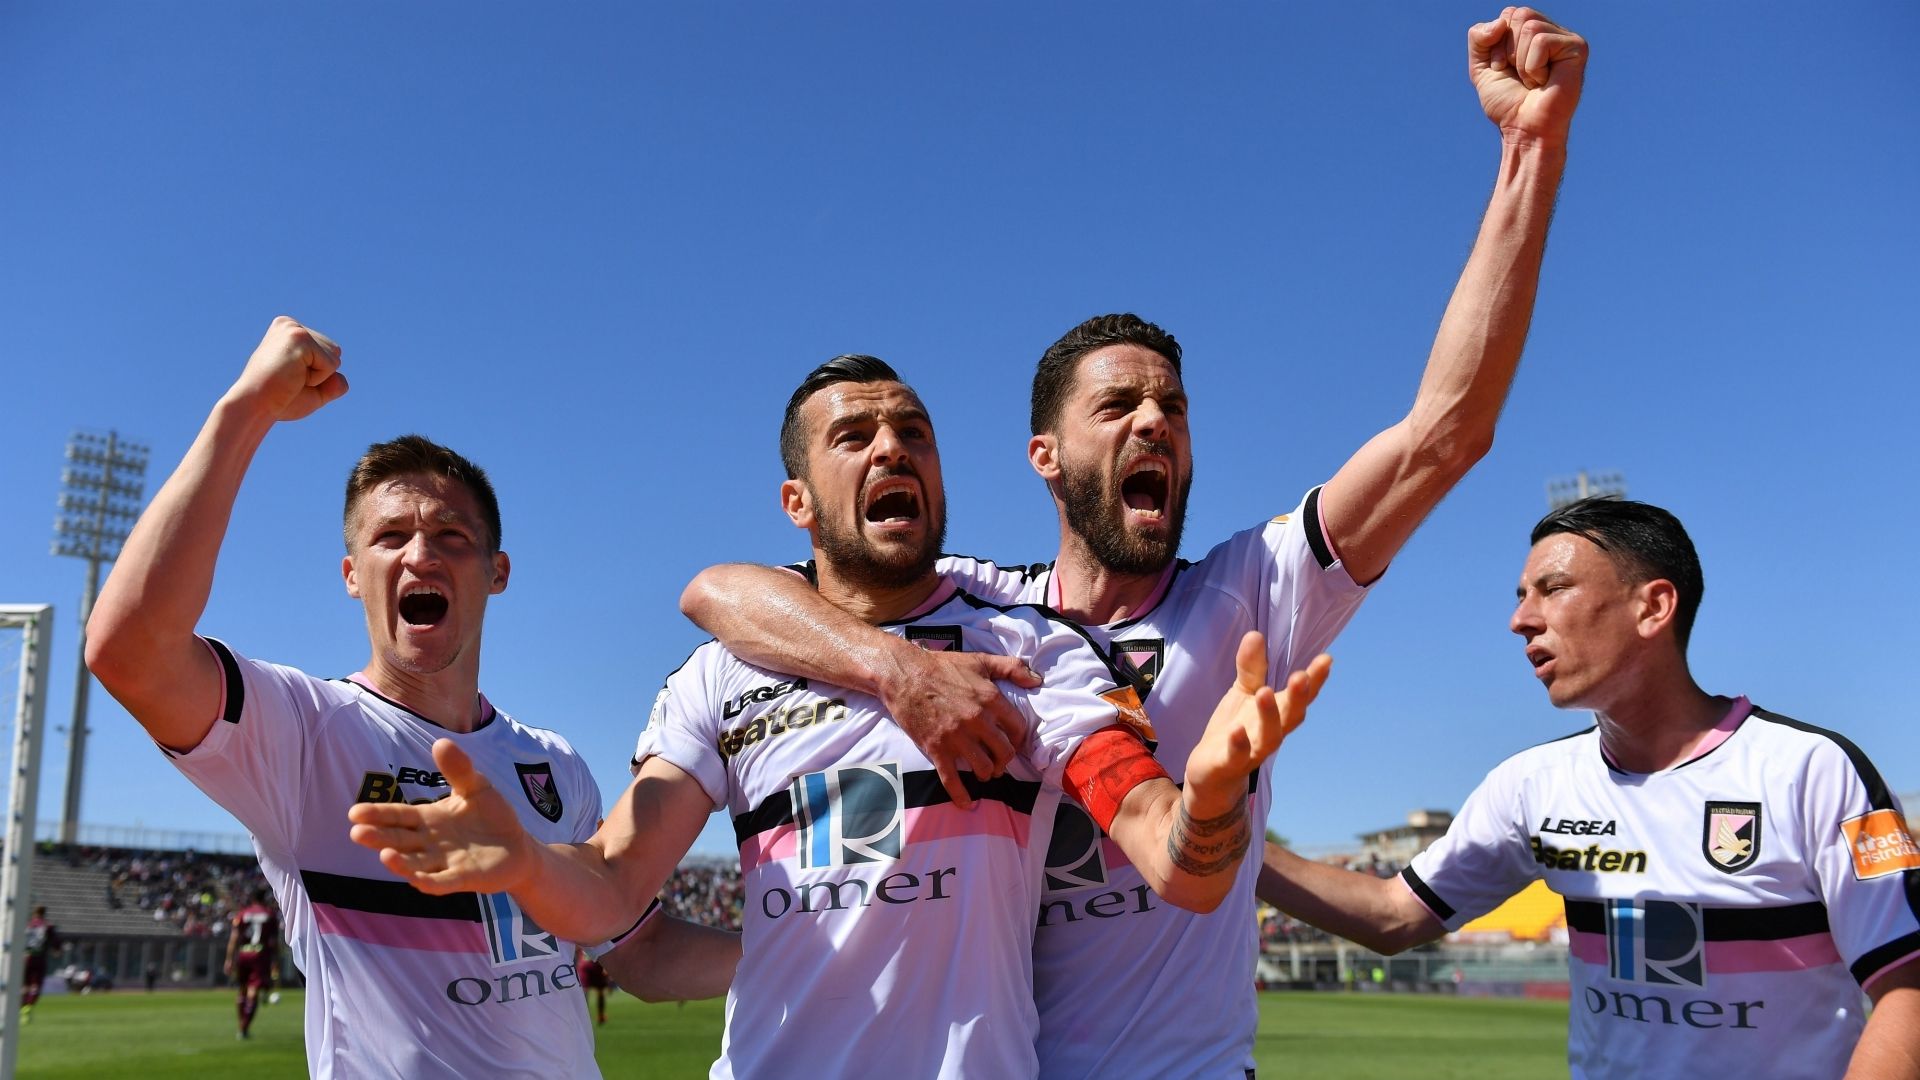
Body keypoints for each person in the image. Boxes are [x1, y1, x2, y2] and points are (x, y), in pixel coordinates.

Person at [677, 9, 1587, 1075]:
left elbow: (1445, 433)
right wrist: (895, 668)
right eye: (1118, 409)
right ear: (1044, 457)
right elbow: (720, 593)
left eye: (1174, 407)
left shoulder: (1254, 594)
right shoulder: (983, 609)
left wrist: (1532, 145)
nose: (1155, 421)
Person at [348, 355, 1330, 1079]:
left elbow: (1172, 859)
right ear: (797, 502)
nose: (892, 446)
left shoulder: (1033, 651)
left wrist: (1209, 800)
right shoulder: (722, 675)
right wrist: (526, 863)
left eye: (914, 433)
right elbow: (610, 884)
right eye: (853, 436)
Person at [85, 317, 736, 1079]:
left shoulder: (555, 768)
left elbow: (643, 951)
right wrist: (246, 409)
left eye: (452, 536)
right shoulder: (305, 732)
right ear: (352, 575)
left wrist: (826, 948)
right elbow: (129, 650)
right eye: (390, 536)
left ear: (497, 572)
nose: (421, 552)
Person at [1258, 498, 1920, 1078]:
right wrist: (1196, 826)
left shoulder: (1813, 770)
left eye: (1552, 588)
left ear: (1653, 606)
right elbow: (1393, 915)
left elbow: (1907, 989)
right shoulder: (1531, 785)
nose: (1522, 620)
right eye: (1520, 596)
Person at [224, 887, 280, 1039]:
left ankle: (241, 1024)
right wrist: (275, 960)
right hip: (260, 954)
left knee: (242, 989)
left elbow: (234, 938)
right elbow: (273, 941)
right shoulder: (270, 914)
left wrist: (229, 959)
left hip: (243, 953)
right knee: (253, 990)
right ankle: (244, 1027)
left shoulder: (242, 914)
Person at [21, 906, 58, 1022]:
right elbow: (55, 943)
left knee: (24, 985)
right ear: (44, 914)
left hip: (25, 957)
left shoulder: (26, 925)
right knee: (36, 985)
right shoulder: (47, 926)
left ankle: (22, 1005)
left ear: (33, 913)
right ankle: (28, 1006)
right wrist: (56, 949)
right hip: (39, 958)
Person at [577, 947, 612, 1025]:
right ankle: (600, 1015)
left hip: (586, 965)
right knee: (598, 992)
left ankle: (584, 1016)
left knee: (585, 991)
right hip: (595, 965)